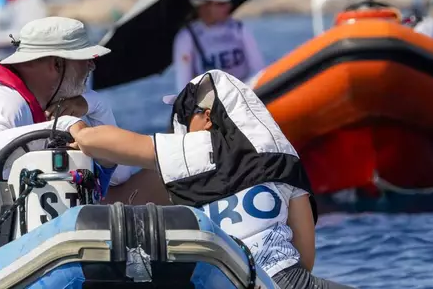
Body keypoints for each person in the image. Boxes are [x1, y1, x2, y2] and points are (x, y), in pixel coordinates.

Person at [66, 70, 354, 289]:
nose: (177, 126)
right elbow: (305, 257)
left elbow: (96, 141)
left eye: (182, 115)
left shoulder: (198, 149)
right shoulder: (281, 154)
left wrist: (80, 120)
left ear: (206, 118)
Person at [0, 16, 132, 263]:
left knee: (152, 181)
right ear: (56, 64)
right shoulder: (3, 101)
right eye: (85, 60)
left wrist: (95, 104)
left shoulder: (42, 99)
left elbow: (121, 175)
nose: (91, 66)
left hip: (33, 244)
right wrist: (64, 125)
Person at [172, 0, 265, 91]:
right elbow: (184, 86)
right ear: (204, 7)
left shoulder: (239, 29)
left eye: (227, 2)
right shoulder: (187, 38)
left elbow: (258, 70)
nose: (228, 6)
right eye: (221, 3)